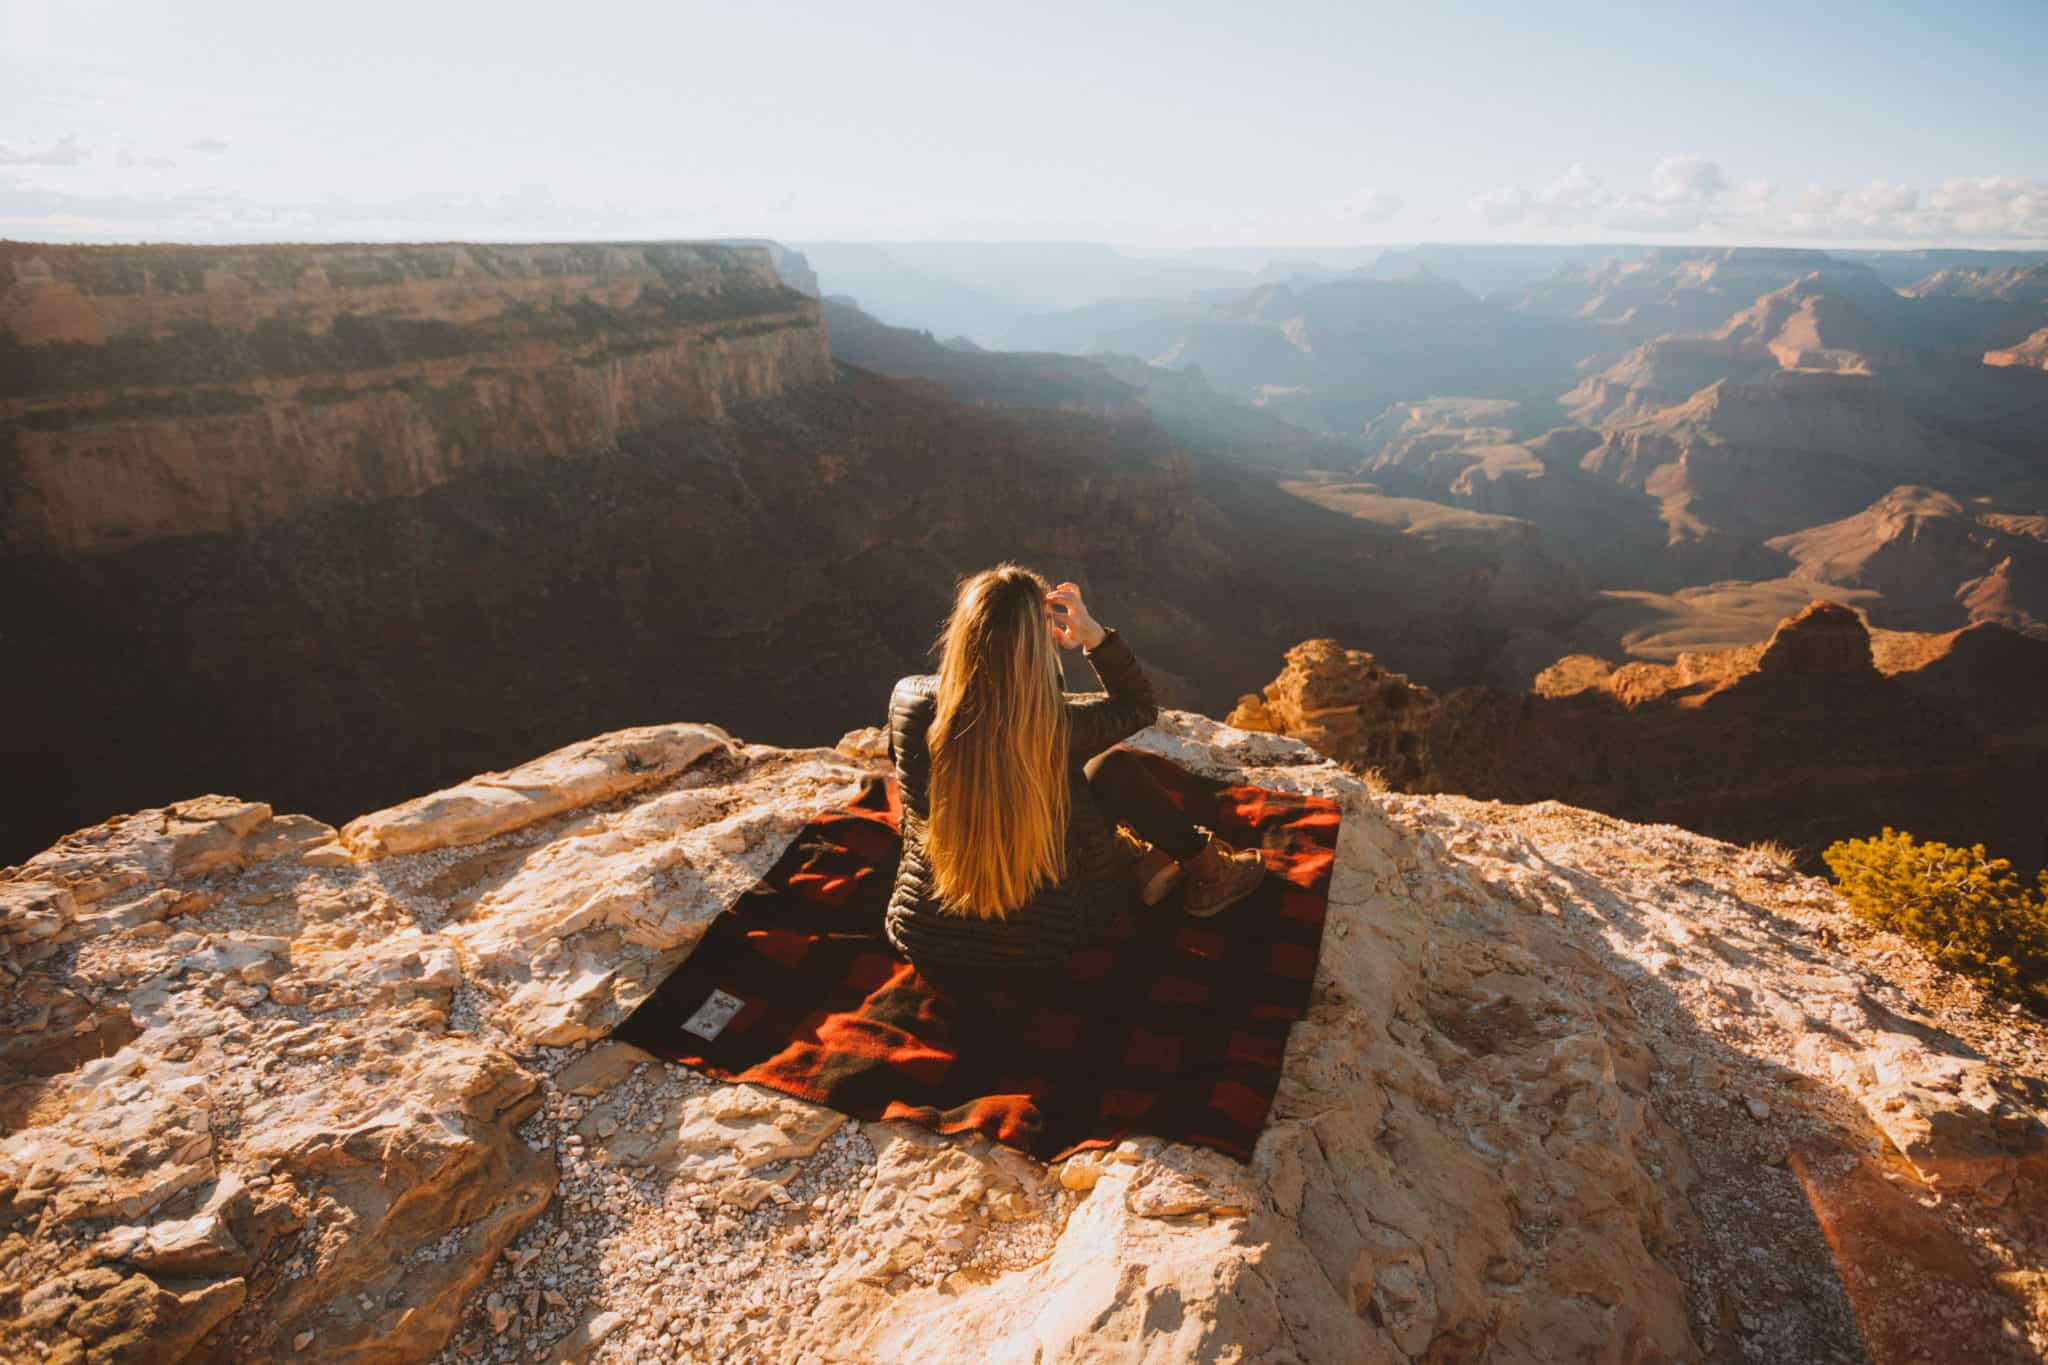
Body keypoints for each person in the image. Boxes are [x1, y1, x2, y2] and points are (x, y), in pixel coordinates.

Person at [882, 563, 1266, 995]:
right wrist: (1093, 637)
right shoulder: (1059, 725)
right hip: (1050, 938)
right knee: (1110, 768)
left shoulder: (907, 698)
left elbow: (902, 766)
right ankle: (1206, 873)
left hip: (925, 936)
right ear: (1034, 641)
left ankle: (1140, 860)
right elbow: (1139, 705)